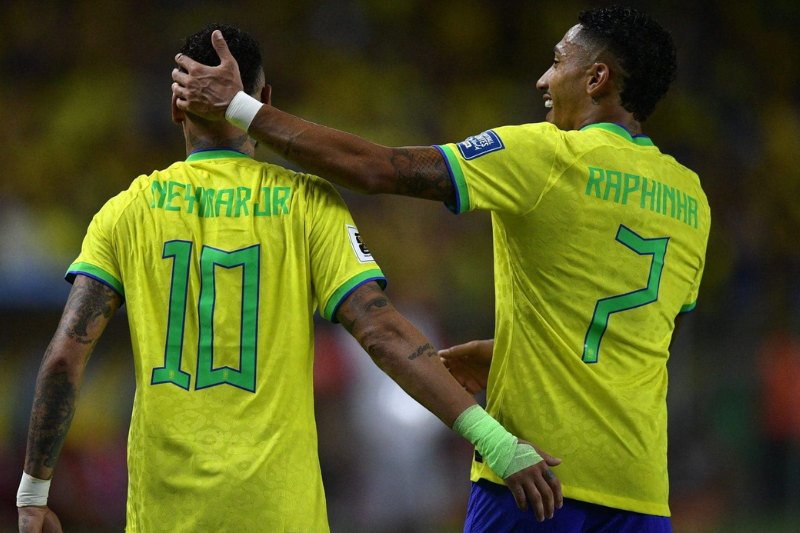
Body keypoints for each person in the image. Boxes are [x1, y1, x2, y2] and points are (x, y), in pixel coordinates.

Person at [171, 5, 710, 532]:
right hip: (640, 493)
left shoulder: (547, 155)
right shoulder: (691, 199)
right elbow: (647, 340)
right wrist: (511, 355)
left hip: (539, 480)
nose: (544, 80)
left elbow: (375, 168)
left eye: (557, 61)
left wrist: (239, 108)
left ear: (596, 78)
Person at [17, 24, 563, 533]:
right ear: (266, 100)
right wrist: (495, 441)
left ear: (176, 106)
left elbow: (65, 357)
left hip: (165, 515)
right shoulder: (307, 204)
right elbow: (382, 332)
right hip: (279, 512)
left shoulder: (125, 212)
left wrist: (33, 494)